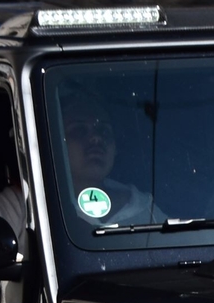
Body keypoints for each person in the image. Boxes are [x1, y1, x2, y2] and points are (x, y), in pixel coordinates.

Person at [52, 88, 159, 227]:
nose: (96, 138)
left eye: (104, 131)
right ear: (56, 143)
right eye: (79, 130)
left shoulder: (147, 211)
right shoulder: (38, 205)